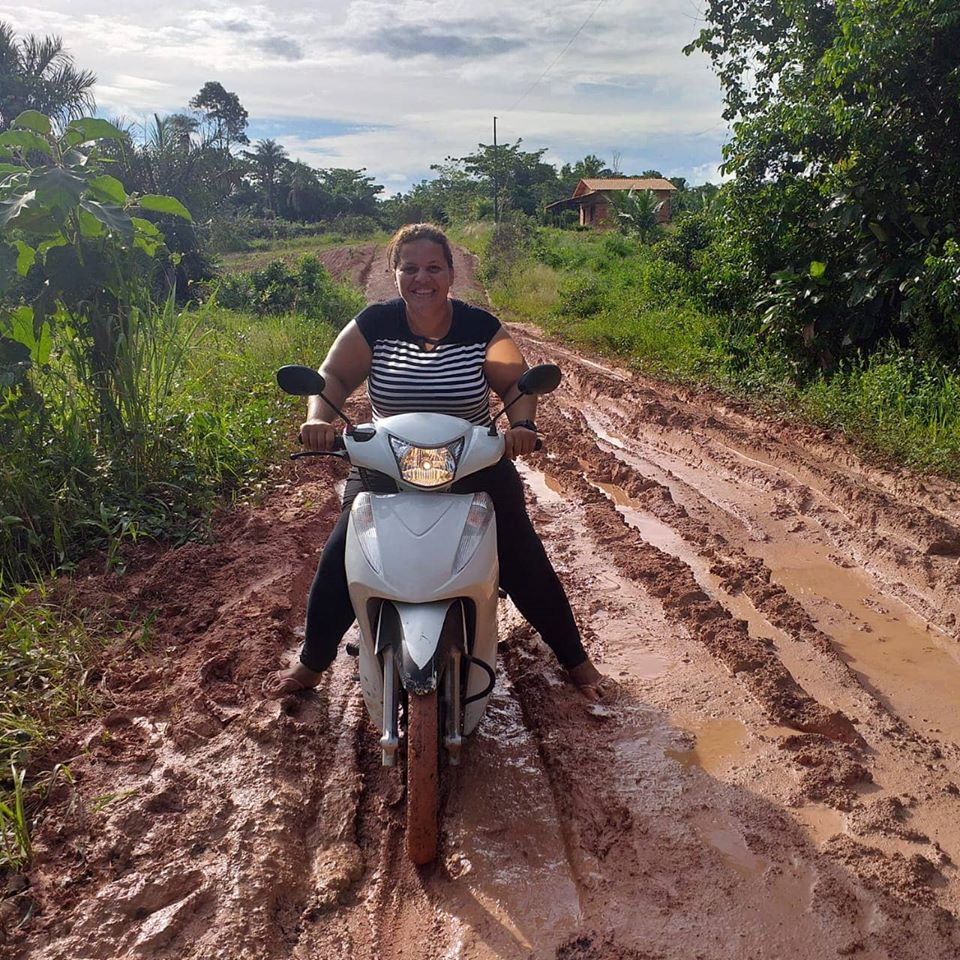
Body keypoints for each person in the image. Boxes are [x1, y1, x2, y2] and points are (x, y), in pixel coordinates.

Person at [264, 223, 607, 701]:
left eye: (433, 268)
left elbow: (515, 383)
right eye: (410, 268)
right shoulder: (374, 324)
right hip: (387, 462)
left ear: (451, 274)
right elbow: (335, 377)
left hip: (472, 462)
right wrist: (319, 418)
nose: (421, 278)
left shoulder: (480, 327)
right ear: (394, 272)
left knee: (522, 558)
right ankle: (311, 665)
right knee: (344, 557)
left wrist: (522, 427)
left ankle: (577, 662)